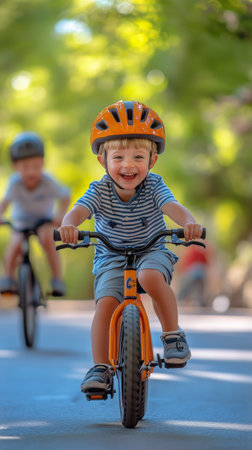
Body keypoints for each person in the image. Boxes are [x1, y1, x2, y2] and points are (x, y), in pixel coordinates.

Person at [58, 100, 203, 393]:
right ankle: (100, 366)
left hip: (152, 251)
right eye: (119, 156)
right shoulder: (98, 190)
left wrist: (188, 221)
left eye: (138, 156)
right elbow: (79, 211)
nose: (128, 165)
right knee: (105, 306)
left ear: (152, 160)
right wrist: (68, 225)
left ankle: (173, 335)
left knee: (149, 276)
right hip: (111, 257)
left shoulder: (154, 185)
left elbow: (171, 206)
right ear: (102, 160)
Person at [0, 131, 70, 296]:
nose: (31, 172)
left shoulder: (48, 181)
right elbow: (4, 202)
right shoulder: (14, 183)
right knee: (15, 244)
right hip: (21, 222)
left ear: (43, 163)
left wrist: (60, 216)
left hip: (43, 221)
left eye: (36, 166)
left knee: (47, 240)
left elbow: (65, 196)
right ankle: (8, 278)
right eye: (25, 167)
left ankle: (57, 279)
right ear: (15, 167)